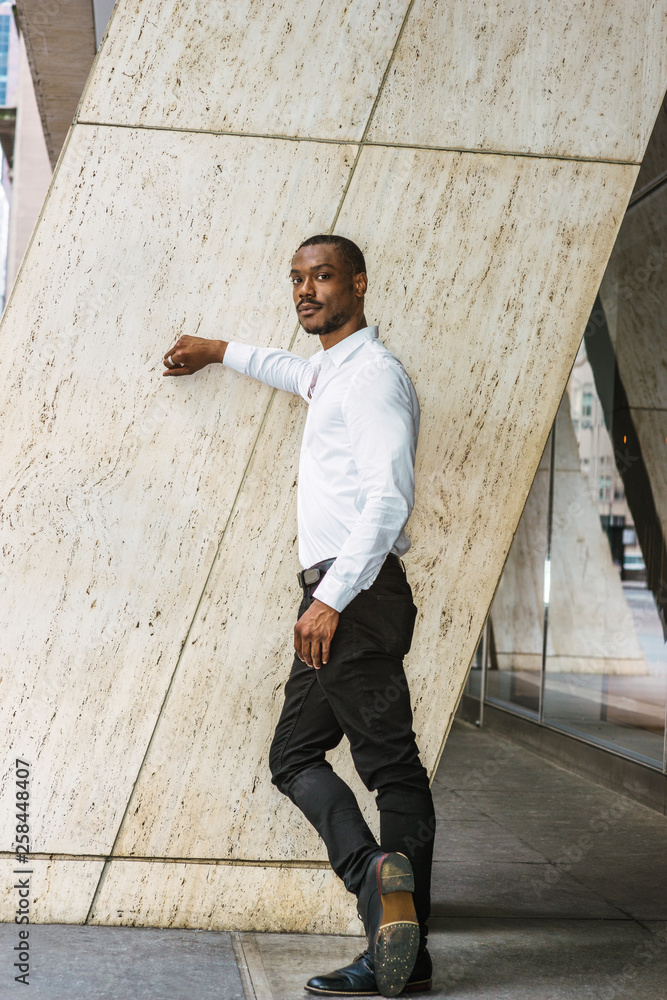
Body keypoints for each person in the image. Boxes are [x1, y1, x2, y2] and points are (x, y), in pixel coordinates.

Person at [163, 234, 435, 997]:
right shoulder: (332, 370)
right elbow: (292, 371)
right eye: (295, 279)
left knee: (392, 769)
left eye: (321, 277)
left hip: (354, 597)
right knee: (293, 756)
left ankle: (394, 926)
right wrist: (218, 349)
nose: (305, 290)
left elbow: (388, 499)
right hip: (340, 599)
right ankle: (390, 908)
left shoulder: (374, 378)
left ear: (358, 283)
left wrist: (328, 598)